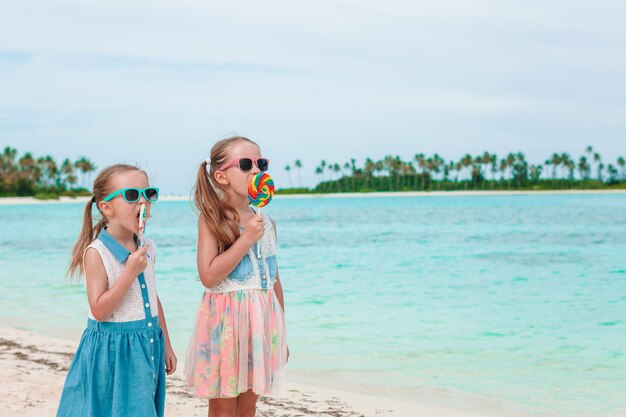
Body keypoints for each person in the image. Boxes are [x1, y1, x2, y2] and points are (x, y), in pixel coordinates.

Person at [57, 164, 177, 417]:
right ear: (106, 207)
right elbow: (99, 309)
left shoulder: (147, 245)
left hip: (147, 343)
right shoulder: (97, 252)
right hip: (112, 349)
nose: (143, 201)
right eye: (132, 195)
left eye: (148, 194)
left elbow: (152, 297)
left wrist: (166, 344)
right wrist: (130, 272)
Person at [185, 136, 288, 417]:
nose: (256, 171)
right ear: (221, 176)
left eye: (261, 164)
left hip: (261, 322)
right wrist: (246, 239)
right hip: (225, 323)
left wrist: (280, 332)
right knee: (223, 405)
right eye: (245, 165)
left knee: (248, 405)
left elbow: (273, 280)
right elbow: (208, 275)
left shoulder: (266, 222)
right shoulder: (212, 218)